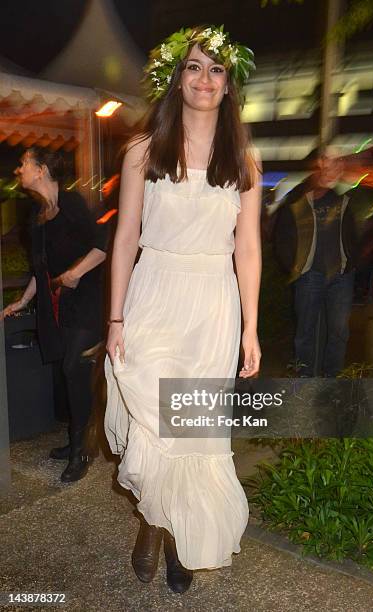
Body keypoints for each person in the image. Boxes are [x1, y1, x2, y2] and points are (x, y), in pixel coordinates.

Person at [104, 25, 261, 594]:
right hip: (154, 292)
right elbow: (125, 239)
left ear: (229, 84)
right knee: (151, 419)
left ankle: (173, 536)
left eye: (215, 69)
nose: (204, 79)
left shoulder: (244, 157)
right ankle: (154, 519)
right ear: (177, 78)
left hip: (212, 303)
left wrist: (251, 327)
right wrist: (116, 319)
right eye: (194, 67)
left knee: (191, 432)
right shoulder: (143, 152)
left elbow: (248, 246)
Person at [1, 147, 107, 482]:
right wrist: (24, 300)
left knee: (73, 366)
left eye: (24, 164)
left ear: (42, 170)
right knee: (68, 372)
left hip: (88, 299)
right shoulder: (36, 216)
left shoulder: (73, 203)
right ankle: (76, 437)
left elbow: (104, 245)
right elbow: (40, 268)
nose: (19, 170)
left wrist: (76, 272)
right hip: (56, 302)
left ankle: (82, 449)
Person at [273, 148, 358, 376]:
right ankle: (304, 382)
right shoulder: (299, 199)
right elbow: (281, 235)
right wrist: (293, 267)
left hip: (341, 276)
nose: (334, 169)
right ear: (319, 164)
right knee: (305, 333)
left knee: (339, 333)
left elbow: (355, 235)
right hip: (309, 275)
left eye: (338, 164)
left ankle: (332, 381)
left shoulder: (345, 199)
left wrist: (351, 263)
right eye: (329, 163)